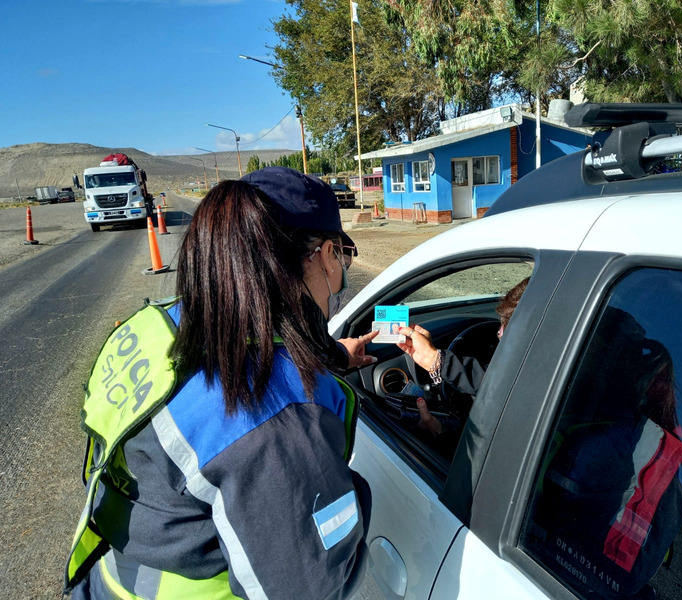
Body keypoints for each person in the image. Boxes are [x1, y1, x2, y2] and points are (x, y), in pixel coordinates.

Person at [65, 168, 378, 600]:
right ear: (325, 255)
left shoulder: (160, 326)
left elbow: (245, 352)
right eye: (343, 257)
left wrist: (335, 355)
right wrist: (353, 492)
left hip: (110, 579)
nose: (341, 273)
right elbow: (318, 584)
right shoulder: (278, 427)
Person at [397, 277, 529, 434]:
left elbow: (501, 387)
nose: (499, 331)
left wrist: (436, 361)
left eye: (507, 324)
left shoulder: (523, 393)